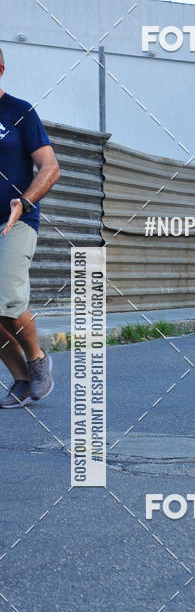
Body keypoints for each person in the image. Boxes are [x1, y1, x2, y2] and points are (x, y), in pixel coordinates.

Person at [0, 47, 60, 407]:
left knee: (6, 298)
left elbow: (50, 168)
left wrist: (23, 202)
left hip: (15, 221)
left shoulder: (19, 112)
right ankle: (21, 378)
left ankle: (37, 359)